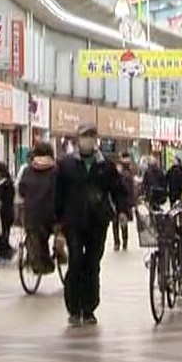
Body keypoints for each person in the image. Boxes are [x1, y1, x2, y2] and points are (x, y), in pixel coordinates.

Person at [53, 125, 131, 326]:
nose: (87, 140)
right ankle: (74, 307)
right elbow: (58, 194)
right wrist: (57, 223)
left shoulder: (105, 165)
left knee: (93, 264)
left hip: (98, 221)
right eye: (83, 137)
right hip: (74, 221)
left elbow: (119, 190)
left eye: (91, 137)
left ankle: (89, 308)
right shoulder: (67, 164)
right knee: (76, 261)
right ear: (78, 140)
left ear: (96, 139)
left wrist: (122, 211)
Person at [17, 141, 59, 273]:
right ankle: (59, 251)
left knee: (34, 232)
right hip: (52, 214)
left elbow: (21, 190)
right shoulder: (56, 171)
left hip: (31, 214)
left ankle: (37, 260)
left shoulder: (27, 170)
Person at [112, 151, 137, 251]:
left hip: (120, 202)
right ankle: (120, 242)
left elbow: (127, 189)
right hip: (119, 202)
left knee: (119, 223)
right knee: (118, 223)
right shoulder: (128, 173)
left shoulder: (125, 175)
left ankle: (120, 242)